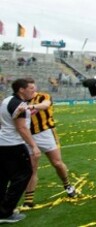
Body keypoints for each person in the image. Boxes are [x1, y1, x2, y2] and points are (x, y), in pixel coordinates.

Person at [22, 91, 76, 208]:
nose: (32, 90)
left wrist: (31, 106)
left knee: (57, 163)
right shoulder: (19, 100)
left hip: (46, 133)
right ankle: (28, 200)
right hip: (29, 136)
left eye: (33, 87)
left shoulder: (43, 96)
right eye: (29, 88)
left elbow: (46, 105)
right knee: (32, 168)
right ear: (22, 90)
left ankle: (67, 184)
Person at [0, 78, 40, 223]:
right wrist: (34, 146)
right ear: (21, 89)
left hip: (2, 143)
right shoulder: (20, 105)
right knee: (23, 174)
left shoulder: (8, 100)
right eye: (31, 89)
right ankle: (6, 212)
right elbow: (21, 128)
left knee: (3, 177)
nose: (34, 92)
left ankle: (2, 209)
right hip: (14, 145)